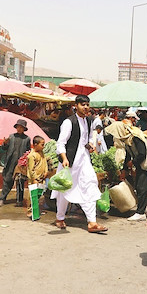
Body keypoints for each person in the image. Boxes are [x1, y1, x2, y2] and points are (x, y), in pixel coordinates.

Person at [51, 95, 108, 233]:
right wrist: (64, 158)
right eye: (83, 104)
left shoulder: (88, 121)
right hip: (70, 162)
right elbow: (61, 143)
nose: (86, 107)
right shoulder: (69, 122)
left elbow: (86, 140)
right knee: (65, 189)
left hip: (84, 160)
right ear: (76, 105)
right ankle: (60, 218)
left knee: (90, 184)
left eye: (87, 104)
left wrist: (90, 147)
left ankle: (92, 222)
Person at [106, 120, 147, 221]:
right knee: (141, 187)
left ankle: (141, 212)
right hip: (140, 164)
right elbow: (128, 155)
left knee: (142, 188)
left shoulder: (135, 137)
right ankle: (143, 209)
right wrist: (124, 169)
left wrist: (133, 163)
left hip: (146, 164)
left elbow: (142, 153)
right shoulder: (126, 139)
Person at [0, 119, 31, 207]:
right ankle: (2, 199)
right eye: (18, 127)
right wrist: (4, 143)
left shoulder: (27, 139)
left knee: (20, 181)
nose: (19, 129)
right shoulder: (11, 137)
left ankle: (19, 200)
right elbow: (4, 148)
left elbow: (28, 151)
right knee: (7, 181)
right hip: (10, 162)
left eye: (21, 127)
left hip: (21, 164)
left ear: (24, 129)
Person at [24, 136, 49, 219]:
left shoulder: (41, 152)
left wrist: (46, 171)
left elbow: (44, 161)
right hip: (34, 179)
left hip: (42, 178)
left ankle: (35, 209)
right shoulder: (32, 156)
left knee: (38, 194)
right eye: (42, 144)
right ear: (35, 144)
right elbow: (31, 169)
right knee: (32, 195)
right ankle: (29, 210)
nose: (43, 146)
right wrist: (34, 179)